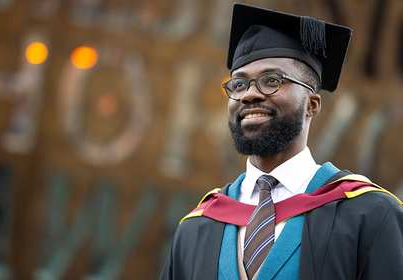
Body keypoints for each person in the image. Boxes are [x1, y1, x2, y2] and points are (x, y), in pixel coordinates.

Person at [160, 3, 403, 280]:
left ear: (312, 104)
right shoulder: (197, 227)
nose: (250, 94)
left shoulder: (370, 215)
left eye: (272, 80)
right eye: (239, 84)